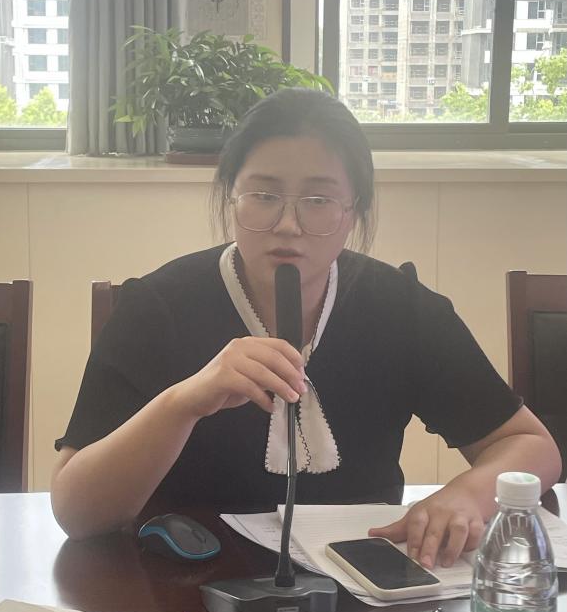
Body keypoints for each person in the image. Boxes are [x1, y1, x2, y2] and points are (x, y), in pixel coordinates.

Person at [51, 88, 561, 570]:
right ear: (231, 197)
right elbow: (76, 512)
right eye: (263, 195)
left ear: (353, 212)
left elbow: (532, 446)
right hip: (185, 581)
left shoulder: (400, 307)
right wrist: (183, 403)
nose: (288, 225)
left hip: (364, 587)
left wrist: (467, 495)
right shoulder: (157, 306)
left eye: (318, 200)